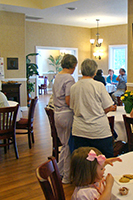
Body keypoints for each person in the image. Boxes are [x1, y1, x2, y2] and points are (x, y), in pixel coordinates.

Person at [70, 59, 117, 158]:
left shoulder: (74, 87)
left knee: (83, 163)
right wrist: (99, 111)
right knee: (105, 160)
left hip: (79, 130)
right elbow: (108, 106)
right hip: (99, 131)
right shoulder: (99, 86)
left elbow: (72, 106)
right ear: (95, 72)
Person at [52, 54, 78, 184]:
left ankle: (59, 171)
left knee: (64, 145)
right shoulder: (69, 78)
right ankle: (67, 177)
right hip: (66, 114)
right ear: (73, 65)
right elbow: (68, 100)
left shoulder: (57, 76)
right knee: (68, 146)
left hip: (57, 113)